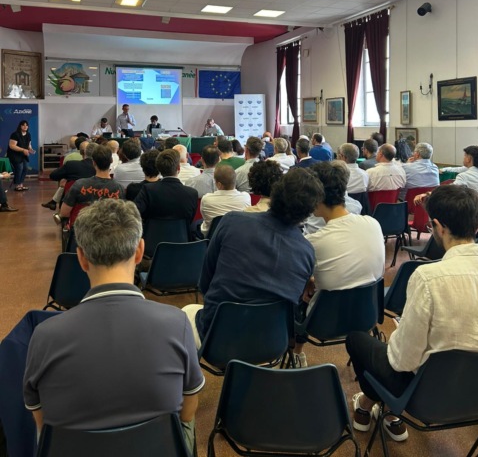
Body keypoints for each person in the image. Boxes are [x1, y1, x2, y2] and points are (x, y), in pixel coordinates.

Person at [23, 199, 204, 452]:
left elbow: (43, 422)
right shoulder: (177, 323)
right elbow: (188, 410)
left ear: (81, 258)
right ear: (139, 252)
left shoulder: (44, 335)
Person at [346, 186, 478, 443]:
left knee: (357, 340)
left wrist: (402, 333)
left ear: (438, 227)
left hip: (427, 399)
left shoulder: (428, 277)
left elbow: (402, 361)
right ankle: (376, 409)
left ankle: (376, 407)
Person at [182, 168, 324, 347]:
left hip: (216, 335)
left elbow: (205, 283)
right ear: (310, 211)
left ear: (275, 192)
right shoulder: (307, 252)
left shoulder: (232, 221)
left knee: (185, 312)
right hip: (271, 342)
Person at [293, 162, 384, 367]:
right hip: (367, 314)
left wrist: (309, 280)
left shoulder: (313, 242)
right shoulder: (373, 223)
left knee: (292, 294)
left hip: (324, 322)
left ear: (316, 197)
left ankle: (296, 353)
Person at [134, 149, 198, 230]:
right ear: (178, 168)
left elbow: (134, 213)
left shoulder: (148, 190)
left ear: (159, 168)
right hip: (182, 236)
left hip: (152, 236)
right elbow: (190, 221)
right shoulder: (192, 193)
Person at [42, 141, 96, 211]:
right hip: (94, 205)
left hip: (70, 204)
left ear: (84, 152)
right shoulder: (101, 169)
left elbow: (53, 176)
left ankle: (56, 205)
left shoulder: (71, 164)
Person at [200, 166, 250, 235]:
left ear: (219, 184)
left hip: (213, 238)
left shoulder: (206, 199)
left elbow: (205, 219)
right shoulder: (246, 197)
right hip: (238, 236)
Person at [7, 120, 35, 192]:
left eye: (26, 125)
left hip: (23, 154)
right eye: (23, 125)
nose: (25, 126)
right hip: (14, 154)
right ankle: (17, 185)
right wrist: (23, 150)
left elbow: (29, 145)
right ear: (20, 126)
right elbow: (12, 146)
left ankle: (21, 184)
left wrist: (31, 149)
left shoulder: (28, 134)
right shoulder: (15, 134)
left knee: (25, 168)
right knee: (19, 168)